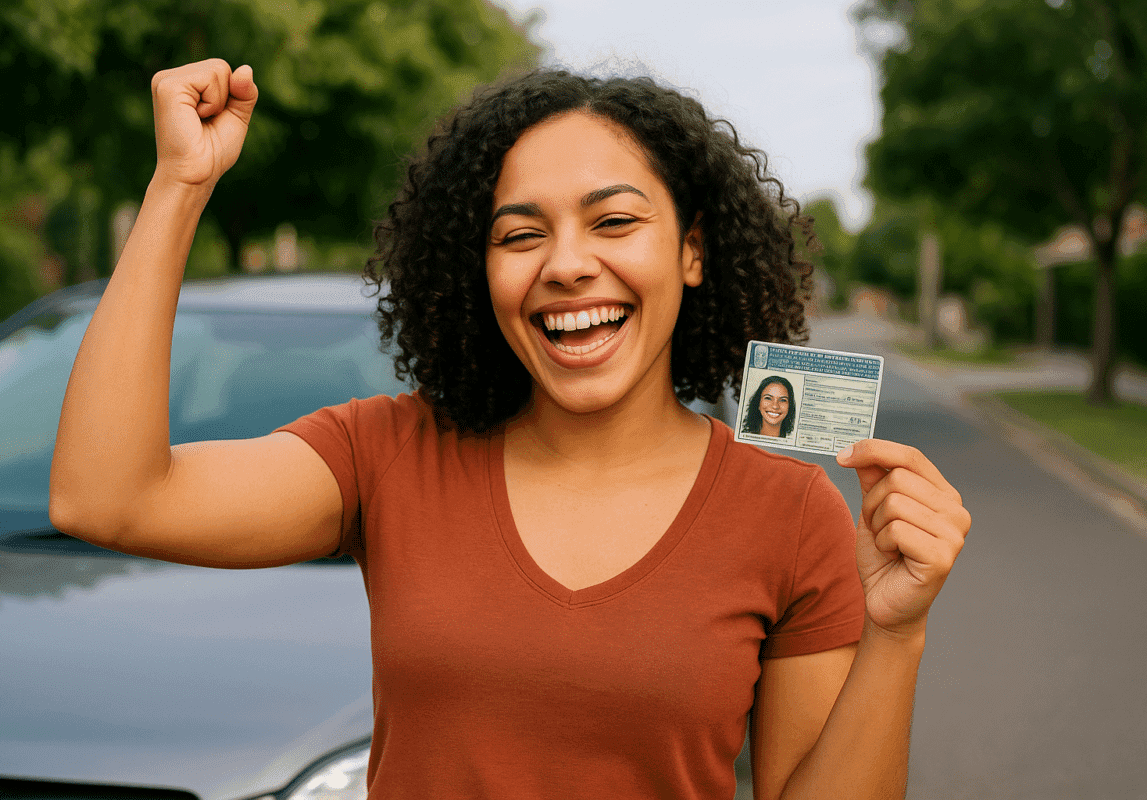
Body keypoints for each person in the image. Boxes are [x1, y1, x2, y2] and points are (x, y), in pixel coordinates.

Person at [51, 59, 971, 799]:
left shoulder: (791, 510)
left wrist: (897, 635)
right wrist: (179, 185)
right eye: (519, 235)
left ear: (692, 251)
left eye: (614, 221)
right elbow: (109, 496)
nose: (568, 265)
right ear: (475, 269)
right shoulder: (387, 454)